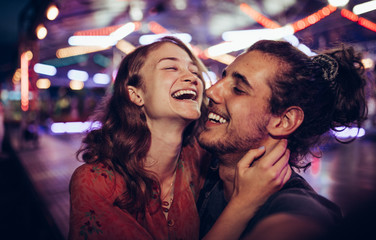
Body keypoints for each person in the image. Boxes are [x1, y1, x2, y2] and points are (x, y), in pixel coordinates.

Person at [68, 37, 292, 240]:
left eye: (194, 71)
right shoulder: (95, 183)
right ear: (136, 94)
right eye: (171, 67)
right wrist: (244, 203)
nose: (192, 78)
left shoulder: (196, 158)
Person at [197, 39, 368, 240]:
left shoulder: (296, 207)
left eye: (238, 89)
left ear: (284, 121)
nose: (211, 92)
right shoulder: (202, 174)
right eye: (222, 78)